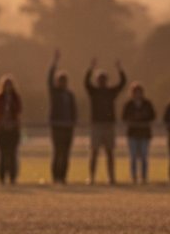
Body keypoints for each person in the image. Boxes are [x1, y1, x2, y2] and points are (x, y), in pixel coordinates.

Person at [84, 58, 127, 185]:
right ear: (97, 81)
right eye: (100, 79)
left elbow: (122, 83)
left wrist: (120, 69)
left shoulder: (111, 92)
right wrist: (90, 69)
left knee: (110, 152)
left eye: (104, 79)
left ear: (106, 80)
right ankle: (91, 177)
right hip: (96, 124)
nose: (102, 81)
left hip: (109, 125)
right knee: (94, 152)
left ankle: (111, 177)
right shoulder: (93, 92)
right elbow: (86, 82)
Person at [47, 51, 78, 184]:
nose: (62, 83)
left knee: (65, 154)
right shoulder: (55, 93)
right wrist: (54, 63)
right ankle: (55, 177)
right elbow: (48, 79)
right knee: (57, 152)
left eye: (64, 81)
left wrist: (73, 122)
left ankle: (63, 177)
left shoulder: (70, 95)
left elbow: (74, 110)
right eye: (60, 80)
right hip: (57, 127)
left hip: (68, 128)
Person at [121, 82, 156, 184]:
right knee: (133, 157)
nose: (137, 94)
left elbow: (152, 116)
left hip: (145, 134)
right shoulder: (129, 105)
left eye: (139, 92)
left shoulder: (147, 104)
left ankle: (144, 177)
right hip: (132, 133)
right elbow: (124, 117)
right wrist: (133, 118)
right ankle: (134, 177)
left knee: (144, 156)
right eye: (135, 92)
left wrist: (143, 116)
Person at [0, 75, 23, 185]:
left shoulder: (16, 98)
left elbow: (18, 111)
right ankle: (2, 177)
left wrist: (11, 102)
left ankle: (12, 177)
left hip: (13, 130)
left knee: (12, 155)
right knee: (3, 155)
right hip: (2, 131)